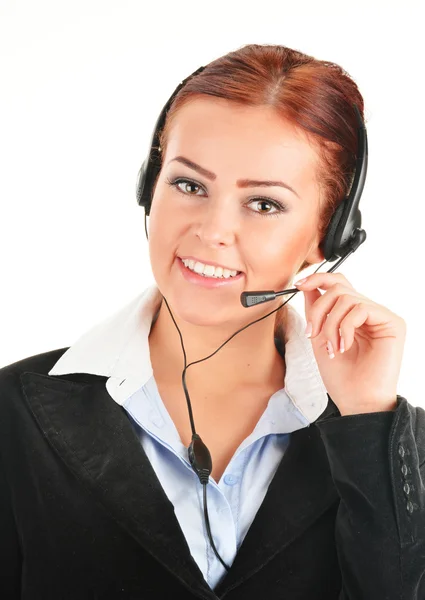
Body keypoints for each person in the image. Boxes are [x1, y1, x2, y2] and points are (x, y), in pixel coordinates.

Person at [0, 43, 424, 599]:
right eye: (189, 185)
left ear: (330, 233)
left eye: (264, 204)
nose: (211, 230)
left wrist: (367, 425)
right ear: (149, 187)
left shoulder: (398, 448)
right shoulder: (12, 415)